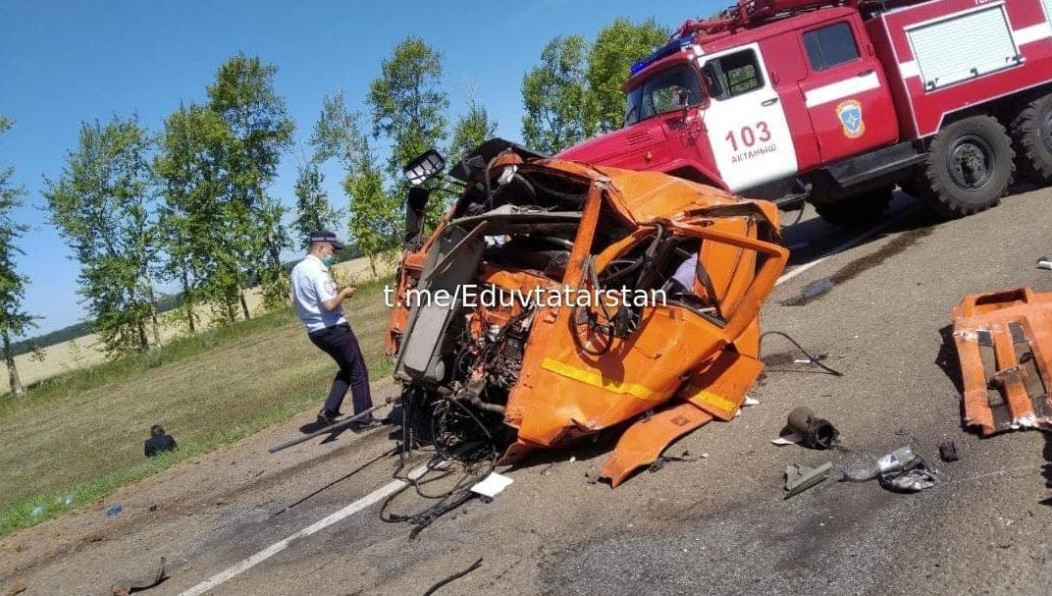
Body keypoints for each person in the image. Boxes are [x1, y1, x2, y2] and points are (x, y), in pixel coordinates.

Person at [290, 230, 380, 430]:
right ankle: (364, 419)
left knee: (347, 368)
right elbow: (329, 304)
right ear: (321, 247)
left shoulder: (297, 270)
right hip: (334, 328)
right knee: (358, 371)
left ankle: (329, 411)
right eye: (332, 250)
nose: (334, 254)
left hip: (315, 331)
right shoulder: (318, 271)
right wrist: (344, 294)